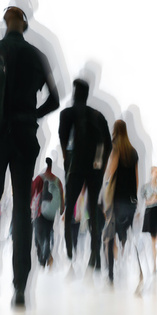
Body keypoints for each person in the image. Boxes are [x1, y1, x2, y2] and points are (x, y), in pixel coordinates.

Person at [0, 4, 59, 307]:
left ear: (5, 22)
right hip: (23, 135)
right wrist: (32, 114)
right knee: (21, 208)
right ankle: (19, 287)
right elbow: (55, 100)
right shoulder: (36, 55)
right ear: (25, 24)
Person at [58, 78, 112, 272]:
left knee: (69, 210)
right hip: (95, 169)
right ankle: (94, 256)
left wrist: (68, 164)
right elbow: (108, 144)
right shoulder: (98, 116)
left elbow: (64, 144)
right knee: (93, 212)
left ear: (74, 93)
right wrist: (101, 166)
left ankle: (70, 254)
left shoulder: (67, 114)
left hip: (75, 168)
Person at [103, 119, 139, 285]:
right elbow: (137, 180)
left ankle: (111, 272)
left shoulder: (116, 148)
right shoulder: (133, 152)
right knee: (125, 233)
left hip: (117, 199)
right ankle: (124, 262)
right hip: (130, 200)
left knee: (110, 236)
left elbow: (111, 171)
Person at [31, 158, 64, 267]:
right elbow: (61, 195)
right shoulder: (56, 180)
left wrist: (28, 205)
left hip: (40, 211)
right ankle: (46, 253)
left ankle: (44, 256)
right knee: (47, 232)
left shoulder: (40, 178)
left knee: (39, 236)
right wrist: (61, 208)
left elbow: (32, 190)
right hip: (51, 214)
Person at [140, 166, 157, 274]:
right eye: (154, 171)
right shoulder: (145, 187)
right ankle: (154, 265)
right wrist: (150, 201)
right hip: (150, 213)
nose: (156, 173)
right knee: (152, 240)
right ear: (151, 173)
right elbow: (143, 201)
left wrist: (153, 200)